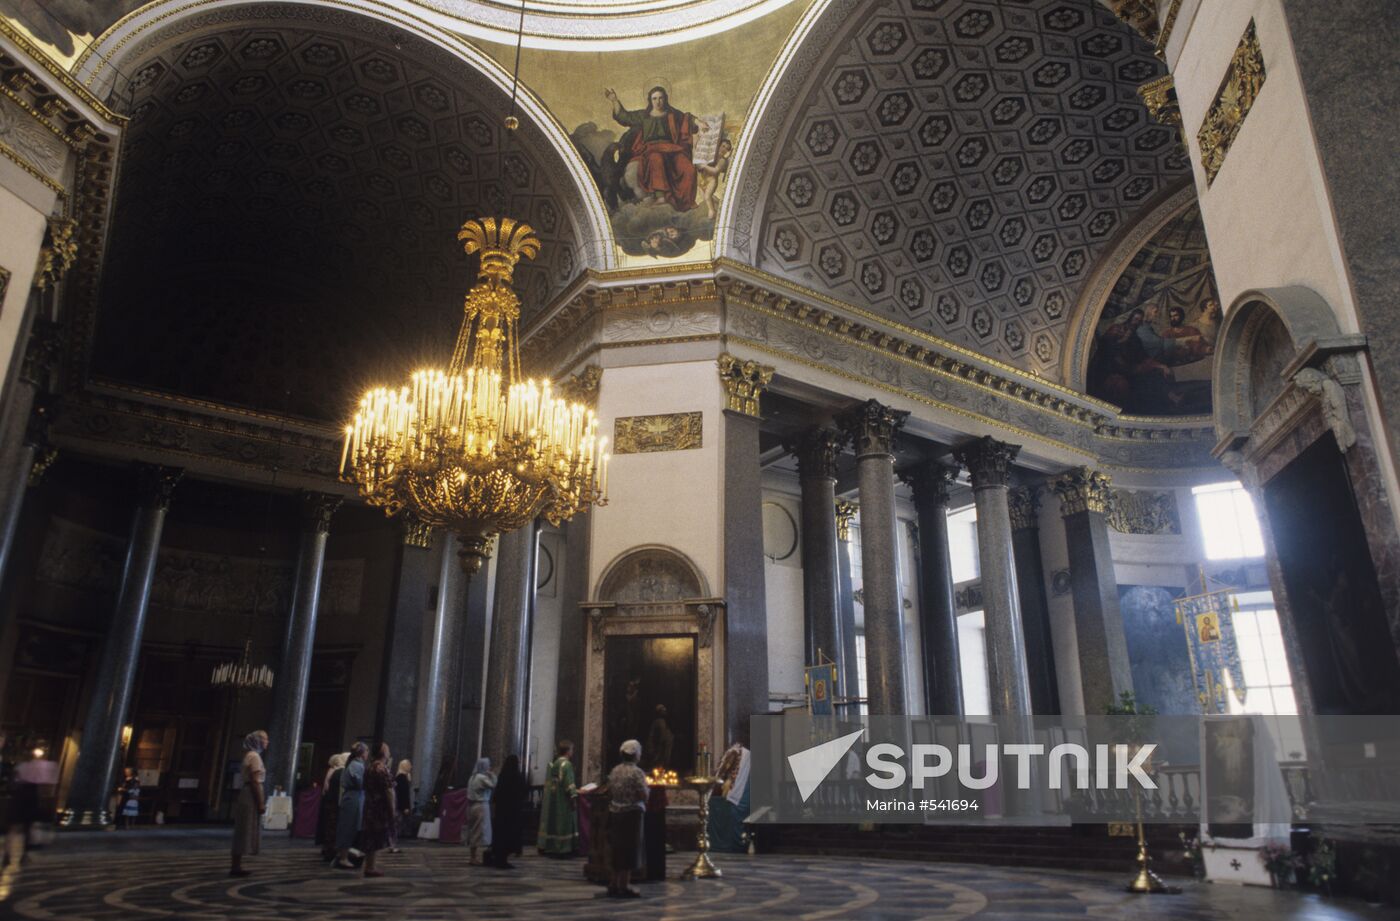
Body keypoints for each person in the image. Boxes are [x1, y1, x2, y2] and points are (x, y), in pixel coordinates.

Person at [604, 86, 709, 211]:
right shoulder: (643, 116)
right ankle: (661, 197)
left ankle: (688, 202)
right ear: (650, 100)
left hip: (672, 149)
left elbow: (687, 118)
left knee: (688, 167)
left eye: (661, 98)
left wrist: (699, 122)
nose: (658, 101)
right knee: (656, 159)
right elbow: (624, 116)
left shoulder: (672, 114)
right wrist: (614, 100)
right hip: (651, 149)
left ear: (665, 99)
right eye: (654, 99)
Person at [606, 739, 648, 899]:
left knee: (617, 849)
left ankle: (613, 883)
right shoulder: (636, 773)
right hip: (632, 814)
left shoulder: (615, 770)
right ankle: (624, 885)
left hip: (615, 813)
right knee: (630, 850)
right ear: (636, 755)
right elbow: (644, 794)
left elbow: (609, 790)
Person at [230, 730, 268, 877]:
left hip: (247, 793)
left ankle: (236, 865)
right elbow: (255, 781)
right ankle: (236, 865)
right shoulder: (254, 757)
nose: (267, 742)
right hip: (251, 795)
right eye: (264, 739)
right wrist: (260, 803)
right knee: (244, 829)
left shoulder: (249, 755)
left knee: (243, 829)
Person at [360, 743, 396, 878]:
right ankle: (370, 867)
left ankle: (370, 866)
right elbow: (389, 790)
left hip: (369, 805)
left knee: (371, 836)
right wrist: (392, 808)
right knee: (376, 836)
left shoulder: (369, 767)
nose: (389, 751)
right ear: (383, 752)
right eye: (387, 748)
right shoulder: (381, 768)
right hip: (379, 807)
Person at [537, 740, 578, 857]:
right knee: (564, 824)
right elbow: (569, 783)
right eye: (572, 750)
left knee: (555, 824)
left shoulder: (554, 764)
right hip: (564, 801)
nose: (572, 752)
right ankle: (564, 848)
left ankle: (553, 846)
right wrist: (573, 797)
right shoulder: (567, 765)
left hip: (555, 799)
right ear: (568, 751)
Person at [487, 755, 526, 869]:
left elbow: (497, 794)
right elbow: (522, 792)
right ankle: (503, 859)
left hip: (501, 813)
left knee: (501, 835)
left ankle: (499, 857)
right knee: (510, 835)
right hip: (513, 813)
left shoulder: (502, 776)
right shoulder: (517, 777)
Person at [334, 742, 368, 870]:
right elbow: (360, 782)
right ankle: (343, 857)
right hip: (353, 798)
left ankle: (343, 854)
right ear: (362, 753)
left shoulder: (354, 764)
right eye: (366, 751)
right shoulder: (356, 765)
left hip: (354, 797)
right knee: (348, 826)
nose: (367, 754)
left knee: (350, 826)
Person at [317, 752, 348, 860]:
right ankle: (331, 851)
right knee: (333, 827)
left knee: (330, 827)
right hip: (335, 802)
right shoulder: (340, 772)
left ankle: (328, 849)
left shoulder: (333, 771)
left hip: (330, 802)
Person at [466, 757, 495, 865]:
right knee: (479, 831)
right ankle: (474, 857)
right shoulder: (482, 778)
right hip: (481, 806)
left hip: (470, 807)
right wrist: (492, 775)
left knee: (473, 830)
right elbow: (493, 785)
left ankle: (472, 856)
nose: (489, 767)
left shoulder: (472, 777)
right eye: (488, 765)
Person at [392, 759, 413, 852]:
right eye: (409, 765)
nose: (411, 767)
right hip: (400, 806)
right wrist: (405, 807)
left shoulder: (400, 777)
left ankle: (393, 844)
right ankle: (392, 845)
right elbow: (403, 794)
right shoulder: (402, 778)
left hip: (398, 805)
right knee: (396, 825)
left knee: (396, 825)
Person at [644, 704, 673, 770]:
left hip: (666, 743)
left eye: (664, 711)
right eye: (662, 711)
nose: (664, 712)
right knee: (658, 759)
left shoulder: (666, 721)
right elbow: (652, 734)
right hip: (659, 744)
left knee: (666, 758)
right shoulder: (656, 722)